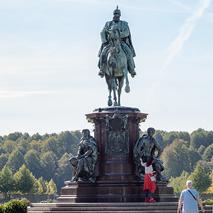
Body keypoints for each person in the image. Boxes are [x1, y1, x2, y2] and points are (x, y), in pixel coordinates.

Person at [98, 6, 136, 78]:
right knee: (103, 53)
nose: (116, 15)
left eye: (117, 14)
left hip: (121, 43)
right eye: (115, 14)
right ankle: (102, 69)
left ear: (120, 15)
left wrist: (118, 35)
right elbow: (102, 32)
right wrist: (105, 41)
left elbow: (127, 32)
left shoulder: (124, 24)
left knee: (129, 53)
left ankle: (132, 70)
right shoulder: (108, 24)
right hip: (110, 43)